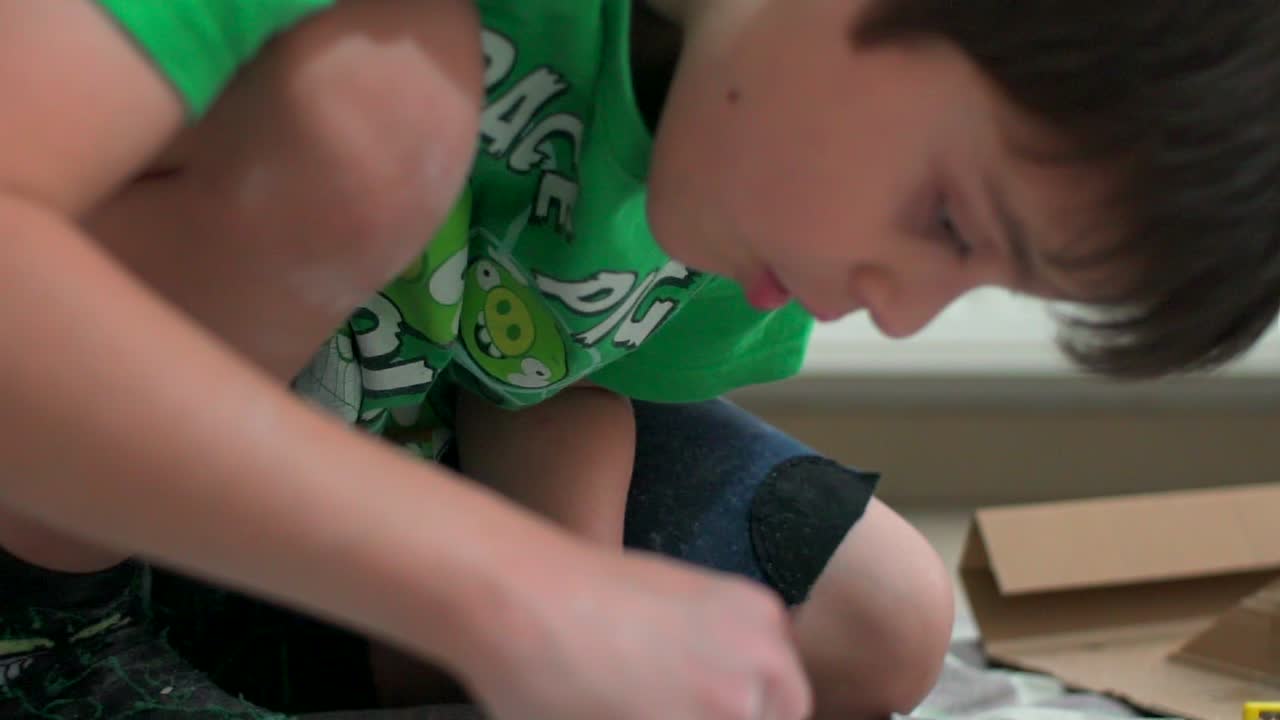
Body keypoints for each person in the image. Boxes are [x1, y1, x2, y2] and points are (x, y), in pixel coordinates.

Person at [3, 2, 1279, 720]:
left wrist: (569, 626)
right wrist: (502, 595)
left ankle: (188, 641)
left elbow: (556, 375)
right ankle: (50, 633)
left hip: (324, 449)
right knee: (377, 114)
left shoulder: (738, 153)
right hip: (49, 466)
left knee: (874, 613)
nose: (899, 316)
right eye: (948, 221)